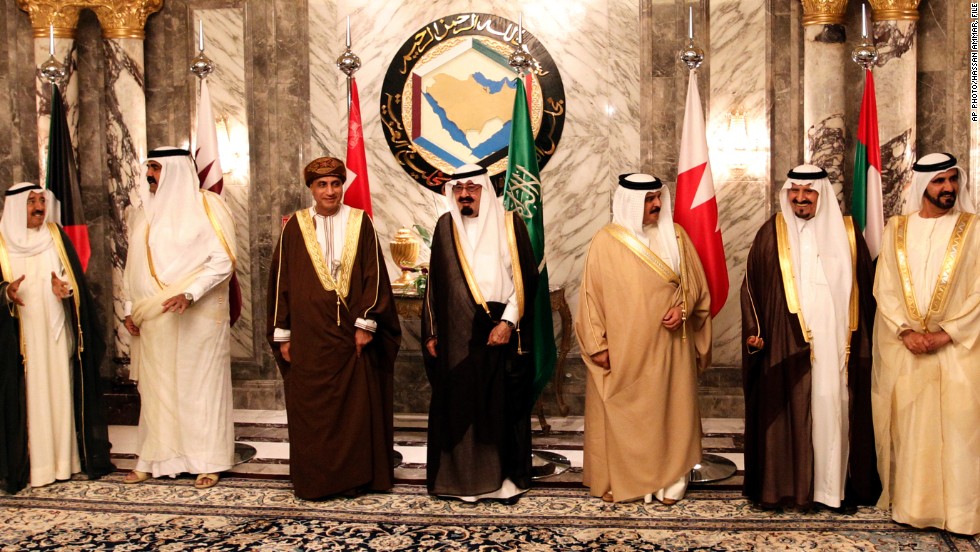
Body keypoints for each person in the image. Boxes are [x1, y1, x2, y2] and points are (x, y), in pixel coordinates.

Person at [740, 165, 880, 511]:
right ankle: (791, 487)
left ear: (822, 194)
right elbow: (752, 286)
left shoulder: (848, 233)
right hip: (786, 344)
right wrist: (756, 331)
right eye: (794, 191)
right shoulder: (772, 232)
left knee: (833, 406)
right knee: (793, 409)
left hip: (836, 346)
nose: (800, 198)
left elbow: (867, 293)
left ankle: (831, 490)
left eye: (808, 192)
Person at [267, 156, 400, 499]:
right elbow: (281, 282)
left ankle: (353, 478)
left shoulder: (360, 221)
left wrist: (366, 323)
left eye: (336, 184)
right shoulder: (295, 226)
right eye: (322, 185)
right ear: (311, 189)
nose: (330, 191)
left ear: (343, 186)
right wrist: (283, 333)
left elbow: (374, 275)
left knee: (354, 410)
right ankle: (317, 479)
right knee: (312, 410)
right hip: (309, 336)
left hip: (351, 334)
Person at [574, 173, 711, 505]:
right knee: (626, 415)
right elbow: (590, 297)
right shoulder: (605, 241)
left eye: (658, 197)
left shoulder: (676, 236)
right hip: (625, 349)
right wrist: (597, 345)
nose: (657, 204)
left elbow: (696, 285)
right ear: (631, 202)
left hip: (670, 348)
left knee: (671, 413)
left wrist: (682, 309)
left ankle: (671, 482)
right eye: (649, 199)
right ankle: (622, 480)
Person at [872, 152, 979, 535]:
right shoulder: (897, 229)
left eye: (952, 179)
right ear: (921, 185)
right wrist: (905, 332)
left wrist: (946, 334)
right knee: (915, 431)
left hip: (960, 349)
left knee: (961, 431)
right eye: (939, 181)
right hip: (910, 349)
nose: (948, 187)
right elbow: (885, 288)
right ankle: (915, 509)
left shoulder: (974, 229)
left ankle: (963, 516)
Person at [422, 164, 537, 503]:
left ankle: (502, 482)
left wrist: (508, 323)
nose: (465, 195)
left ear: (485, 190)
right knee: (459, 408)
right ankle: (463, 482)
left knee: (497, 409)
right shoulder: (445, 227)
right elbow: (434, 284)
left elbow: (525, 279)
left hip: (496, 331)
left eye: (472, 188)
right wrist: (432, 331)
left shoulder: (509, 224)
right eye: (459, 189)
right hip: (457, 335)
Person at [122, 147, 236, 490]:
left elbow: (223, 259)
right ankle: (155, 459)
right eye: (149, 168)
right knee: (157, 391)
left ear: (175, 170)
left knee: (199, 389)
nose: (149, 175)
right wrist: (129, 309)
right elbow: (132, 266)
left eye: (156, 168)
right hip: (153, 316)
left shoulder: (207, 206)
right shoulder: (144, 212)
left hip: (198, 316)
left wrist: (190, 293)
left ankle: (208, 461)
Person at [0, 182, 112, 493]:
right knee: (31, 397)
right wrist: (6, 293)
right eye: (31, 202)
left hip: (55, 330)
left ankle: (65, 463)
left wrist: (65, 287)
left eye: (41, 200)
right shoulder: (2, 242)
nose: (39, 207)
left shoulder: (55, 235)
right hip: (21, 339)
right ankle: (35, 466)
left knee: (60, 391)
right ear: (15, 207)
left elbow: (71, 278)